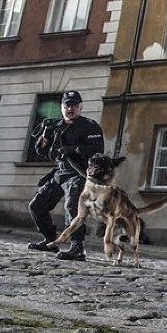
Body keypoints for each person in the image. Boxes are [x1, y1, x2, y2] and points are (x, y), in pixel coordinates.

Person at [27, 90, 105, 261]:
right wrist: (46, 134)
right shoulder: (55, 126)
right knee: (36, 205)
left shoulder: (89, 126)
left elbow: (98, 151)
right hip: (59, 172)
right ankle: (50, 240)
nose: (70, 108)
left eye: (74, 105)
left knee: (72, 208)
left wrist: (71, 149)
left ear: (80, 107)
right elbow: (41, 151)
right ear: (61, 107)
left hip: (77, 172)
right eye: (67, 105)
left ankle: (78, 248)